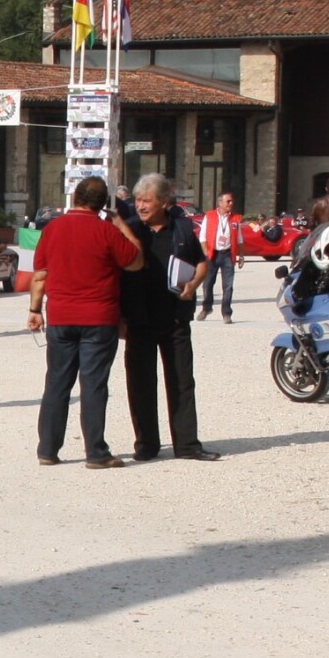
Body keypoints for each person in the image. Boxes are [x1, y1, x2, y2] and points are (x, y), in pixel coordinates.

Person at [27, 175, 145, 467]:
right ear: (103, 204)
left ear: (75, 197)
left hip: (61, 316)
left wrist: (34, 309)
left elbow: (40, 275)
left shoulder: (53, 229)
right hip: (98, 317)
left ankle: (48, 449)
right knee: (93, 385)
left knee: (57, 382)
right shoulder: (106, 231)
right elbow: (136, 261)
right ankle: (95, 451)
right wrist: (122, 227)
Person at [118, 173, 215, 460]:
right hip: (139, 318)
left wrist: (193, 285)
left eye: (147, 201)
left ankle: (187, 445)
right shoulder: (131, 230)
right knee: (140, 383)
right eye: (138, 200)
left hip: (174, 317)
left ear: (163, 201)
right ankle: (146, 444)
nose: (140, 205)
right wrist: (119, 316)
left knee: (182, 381)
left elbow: (202, 262)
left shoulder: (182, 228)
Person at [192, 192, 244, 322]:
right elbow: (202, 236)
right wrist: (205, 253)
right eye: (228, 201)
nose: (231, 203)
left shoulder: (235, 218)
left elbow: (239, 239)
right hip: (213, 254)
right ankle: (206, 308)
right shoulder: (209, 216)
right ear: (220, 203)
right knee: (207, 284)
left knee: (228, 286)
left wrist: (241, 256)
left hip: (228, 255)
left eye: (231, 201)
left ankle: (226, 313)